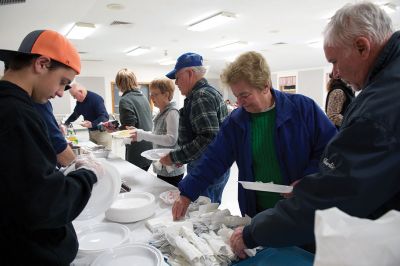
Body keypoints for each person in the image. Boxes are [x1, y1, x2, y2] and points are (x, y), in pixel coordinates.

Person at [229, 2, 400, 259]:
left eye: (335, 61)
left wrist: (253, 233)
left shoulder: (376, 110)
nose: (335, 72)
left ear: (362, 47)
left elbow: (334, 194)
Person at [172, 51, 337, 220]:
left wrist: (309, 179)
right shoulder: (236, 122)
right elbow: (214, 159)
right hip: (258, 212)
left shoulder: (303, 109)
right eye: (237, 96)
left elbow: (331, 151)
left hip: (302, 209)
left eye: (244, 95)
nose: (239, 103)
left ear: (265, 86)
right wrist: (186, 193)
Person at [0, 29, 102, 265]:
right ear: (42, 64)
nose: (59, 93)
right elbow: (45, 203)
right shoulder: (16, 114)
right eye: (62, 82)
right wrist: (87, 175)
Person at [159, 52, 229, 203]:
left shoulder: (201, 96)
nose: (176, 83)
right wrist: (182, 157)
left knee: (203, 216)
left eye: (177, 78)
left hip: (207, 170)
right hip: (214, 167)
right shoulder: (208, 93)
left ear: (190, 73)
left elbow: (208, 139)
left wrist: (174, 157)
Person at [130, 78, 185, 186]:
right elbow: (158, 135)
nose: (151, 97)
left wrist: (144, 135)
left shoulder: (172, 113)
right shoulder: (161, 113)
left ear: (166, 94)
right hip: (163, 166)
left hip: (172, 169)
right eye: (151, 94)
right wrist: (140, 133)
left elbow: (171, 140)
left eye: (155, 94)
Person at [115, 68, 153, 171]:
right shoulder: (143, 97)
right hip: (149, 144)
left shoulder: (125, 100)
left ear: (119, 83)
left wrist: (115, 129)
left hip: (136, 148)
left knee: (136, 180)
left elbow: (129, 128)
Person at [34, 86, 75, 167]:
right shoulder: (39, 102)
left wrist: (55, 126)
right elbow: (57, 143)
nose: (61, 94)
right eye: (61, 82)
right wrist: (80, 166)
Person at [64, 82, 111, 149]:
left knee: (104, 157)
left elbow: (104, 117)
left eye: (74, 96)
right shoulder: (80, 102)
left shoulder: (96, 99)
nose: (74, 98)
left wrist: (92, 124)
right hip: (91, 132)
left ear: (80, 92)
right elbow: (75, 114)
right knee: (94, 155)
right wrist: (66, 124)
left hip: (102, 133)